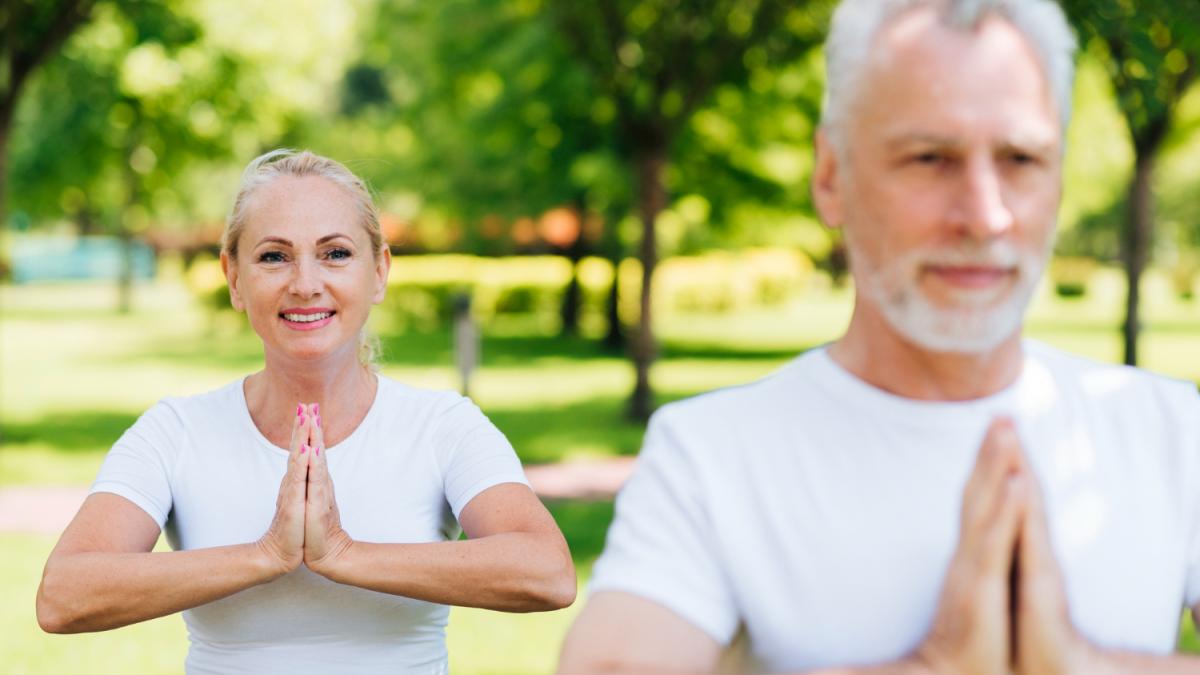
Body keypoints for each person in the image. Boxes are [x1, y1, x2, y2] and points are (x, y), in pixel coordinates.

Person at [558, 0, 1200, 673]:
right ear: (831, 176)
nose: (984, 215)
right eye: (930, 157)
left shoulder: (1173, 431)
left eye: (1020, 157)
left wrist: (1076, 663)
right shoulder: (712, 456)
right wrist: (937, 665)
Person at [36, 150, 576, 674]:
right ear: (233, 278)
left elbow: (548, 573)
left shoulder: (442, 427)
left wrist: (344, 554)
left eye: (336, 253)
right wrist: (265, 555)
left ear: (379, 271)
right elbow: (64, 596)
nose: (305, 283)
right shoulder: (175, 432)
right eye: (274, 256)